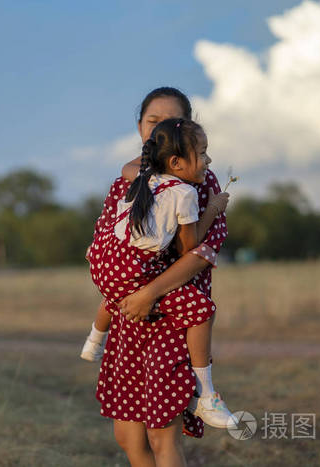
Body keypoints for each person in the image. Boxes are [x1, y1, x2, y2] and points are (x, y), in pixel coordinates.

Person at [84, 87, 232, 466]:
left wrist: (148, 293)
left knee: (161, 433)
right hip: (127, 316)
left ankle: (207, 395)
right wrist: (121, 293)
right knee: (127, 435)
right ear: (140, 128)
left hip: (169, 315)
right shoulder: (129, 180)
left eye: (170, 122)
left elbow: (200, 251)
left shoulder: (200, 182)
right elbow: (106, 239)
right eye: (154, 122)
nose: (159, 129)